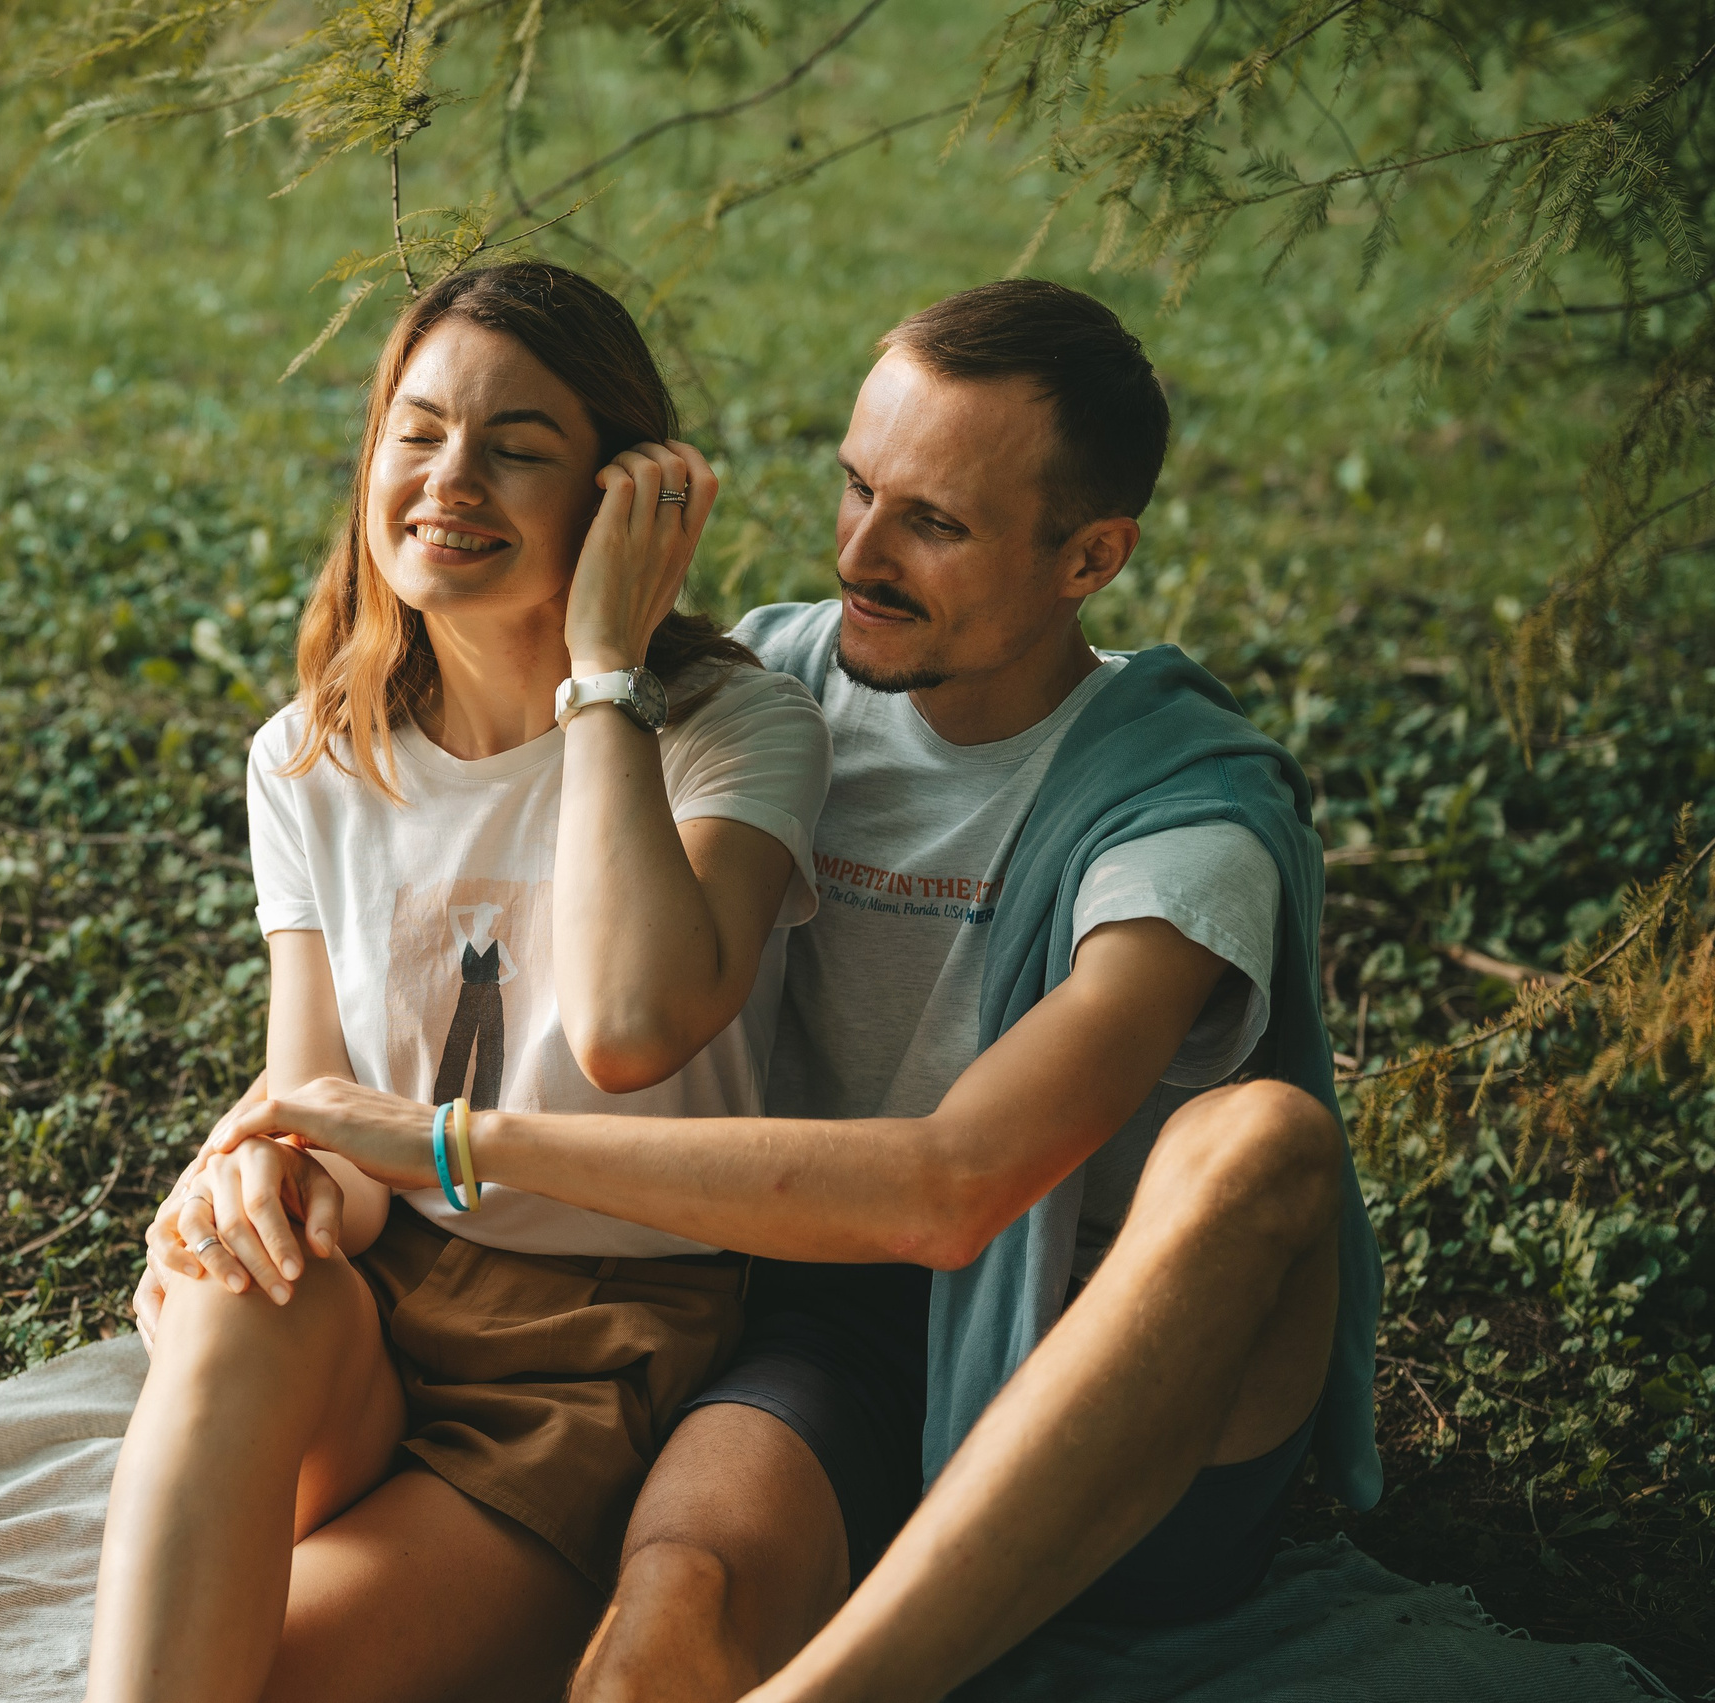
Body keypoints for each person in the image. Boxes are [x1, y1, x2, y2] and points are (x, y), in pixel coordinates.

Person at [193, 279, 1383, 1703]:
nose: (864, 555)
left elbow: (959, 1191)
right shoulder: (774, 690)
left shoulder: (1177, 822)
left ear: (1091, 556)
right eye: (857, 491)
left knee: (1262, 1143)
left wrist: (455, 1140)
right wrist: (260, 1140)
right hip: (835, 1338)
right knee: (665, 1619)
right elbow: (511, 946)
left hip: (1114, 1365)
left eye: (933, 523)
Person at [85, 262, 832, 1703]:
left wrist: (604, 668)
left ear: (619, 499)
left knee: (260, 1677)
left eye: (520, 447)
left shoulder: (732, 732)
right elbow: (332, 1111)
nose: (450, 480)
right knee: (240, 1297)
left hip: (600, 1340)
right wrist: (265, 1184)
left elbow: (631, 1029)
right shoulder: (312, 755)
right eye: (416, 430)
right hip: (377, 1295)